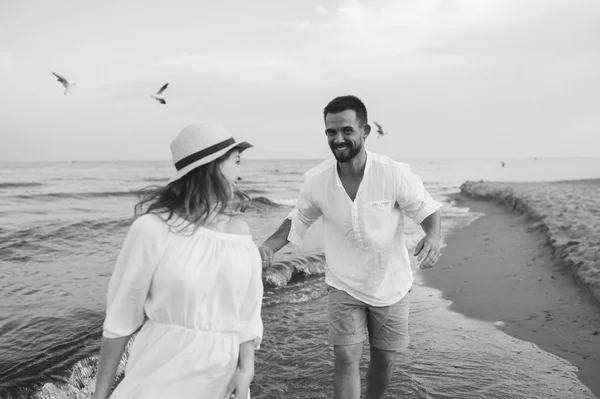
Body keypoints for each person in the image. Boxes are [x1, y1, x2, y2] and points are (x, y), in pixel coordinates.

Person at [259, 95, 443, 399]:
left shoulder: (392, 173)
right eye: (331, 132)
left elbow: (426, 209)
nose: (338, 139)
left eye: (346, 130)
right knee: (345, 357)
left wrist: (433, 237)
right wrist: (269, 246)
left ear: (365, 131)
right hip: (343, 283)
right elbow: (299, 218)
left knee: (384, 360)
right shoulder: (317, 180)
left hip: (391, 283)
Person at [93, 123, 264, 399]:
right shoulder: (152, 229)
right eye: (236, 162)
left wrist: (246, 370)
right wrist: (99, 396)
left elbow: (247, 312)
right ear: (212, 166)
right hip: (162, 377)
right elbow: (119, 321)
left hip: (223, 382)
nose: (240, 175)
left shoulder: (239, 232)